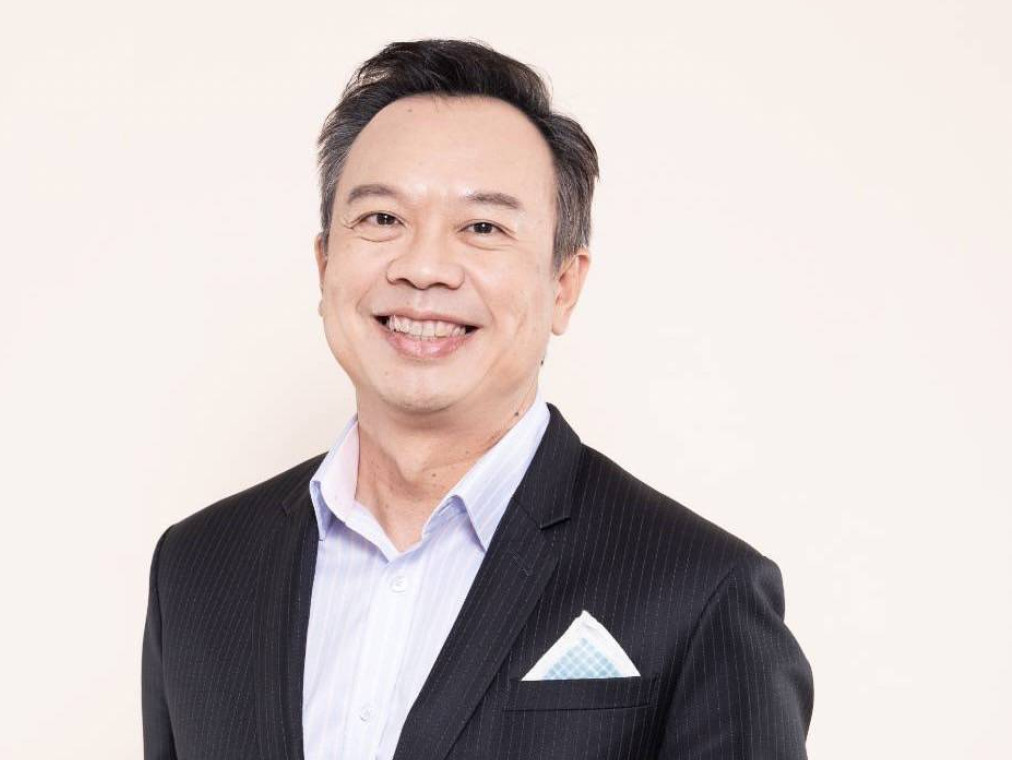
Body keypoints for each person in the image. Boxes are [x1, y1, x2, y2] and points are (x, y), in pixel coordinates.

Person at [141, 39, 813, 760]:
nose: (424, 267)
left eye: (483, 227)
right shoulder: (197, 569)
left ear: (564, 285)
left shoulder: (700, 590)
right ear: (325, 263)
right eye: (382, 219)